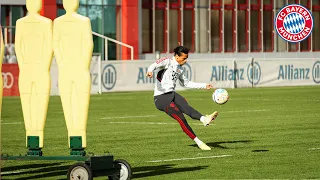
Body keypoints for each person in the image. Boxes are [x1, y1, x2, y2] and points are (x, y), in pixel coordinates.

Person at [146, 46, 218, 150]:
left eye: (186, 58)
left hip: (172, 94)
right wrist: (150, 71)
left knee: (187, 108)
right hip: (161, 98)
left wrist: (203, 85)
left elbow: (186, 83)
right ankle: (199, 142)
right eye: (184, 58)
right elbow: (154, 64)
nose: (186, 60)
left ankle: (204, 119)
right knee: (182, 118)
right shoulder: (167, 61)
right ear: (177, 56)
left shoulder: (180, 69)